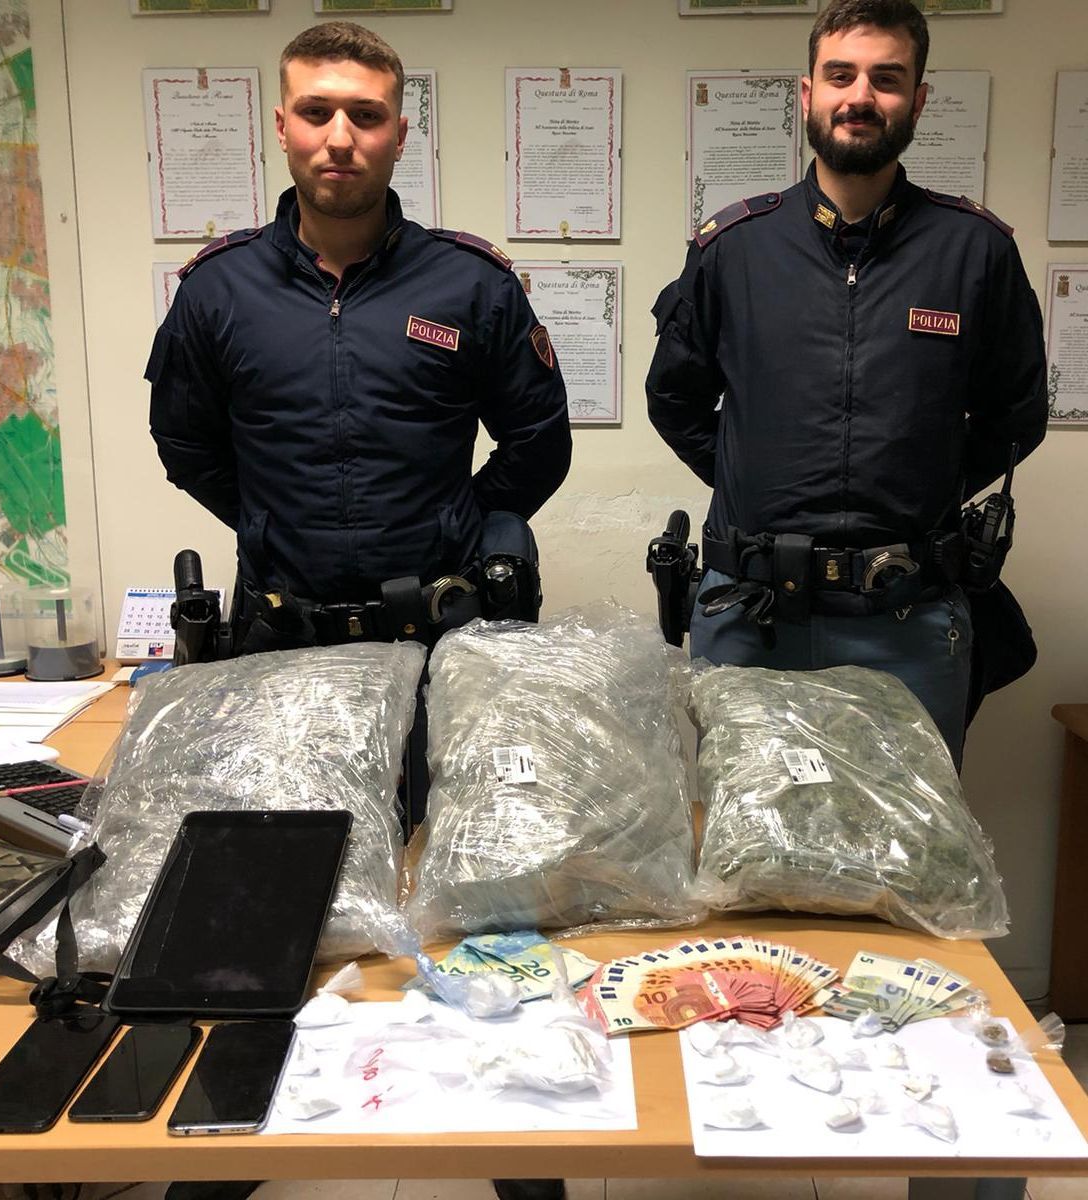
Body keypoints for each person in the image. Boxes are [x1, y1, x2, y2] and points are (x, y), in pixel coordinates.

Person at [646, 0, 1046, 768]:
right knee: (752, 835)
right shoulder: (736, 250)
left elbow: (1016, 416)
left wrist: (918, 485)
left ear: (918, 100)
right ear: (808, 94)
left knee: (905, 840)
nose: (860, 96)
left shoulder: (975, 253)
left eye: (886, 79)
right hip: (753, 620)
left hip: (908, 624)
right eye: (841, 75)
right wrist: (758, 475)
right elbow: (675, 399)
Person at [148, 21, 571, 652]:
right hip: (280, 634)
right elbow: (185, 444)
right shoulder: (218, 289)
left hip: (437, 634)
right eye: (315, 112)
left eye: (366, 115)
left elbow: (539, 442)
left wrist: (455, 524)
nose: (340, 138)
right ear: (282, 127)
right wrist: (265, 526)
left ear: (399, 136)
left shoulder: (473, 285)